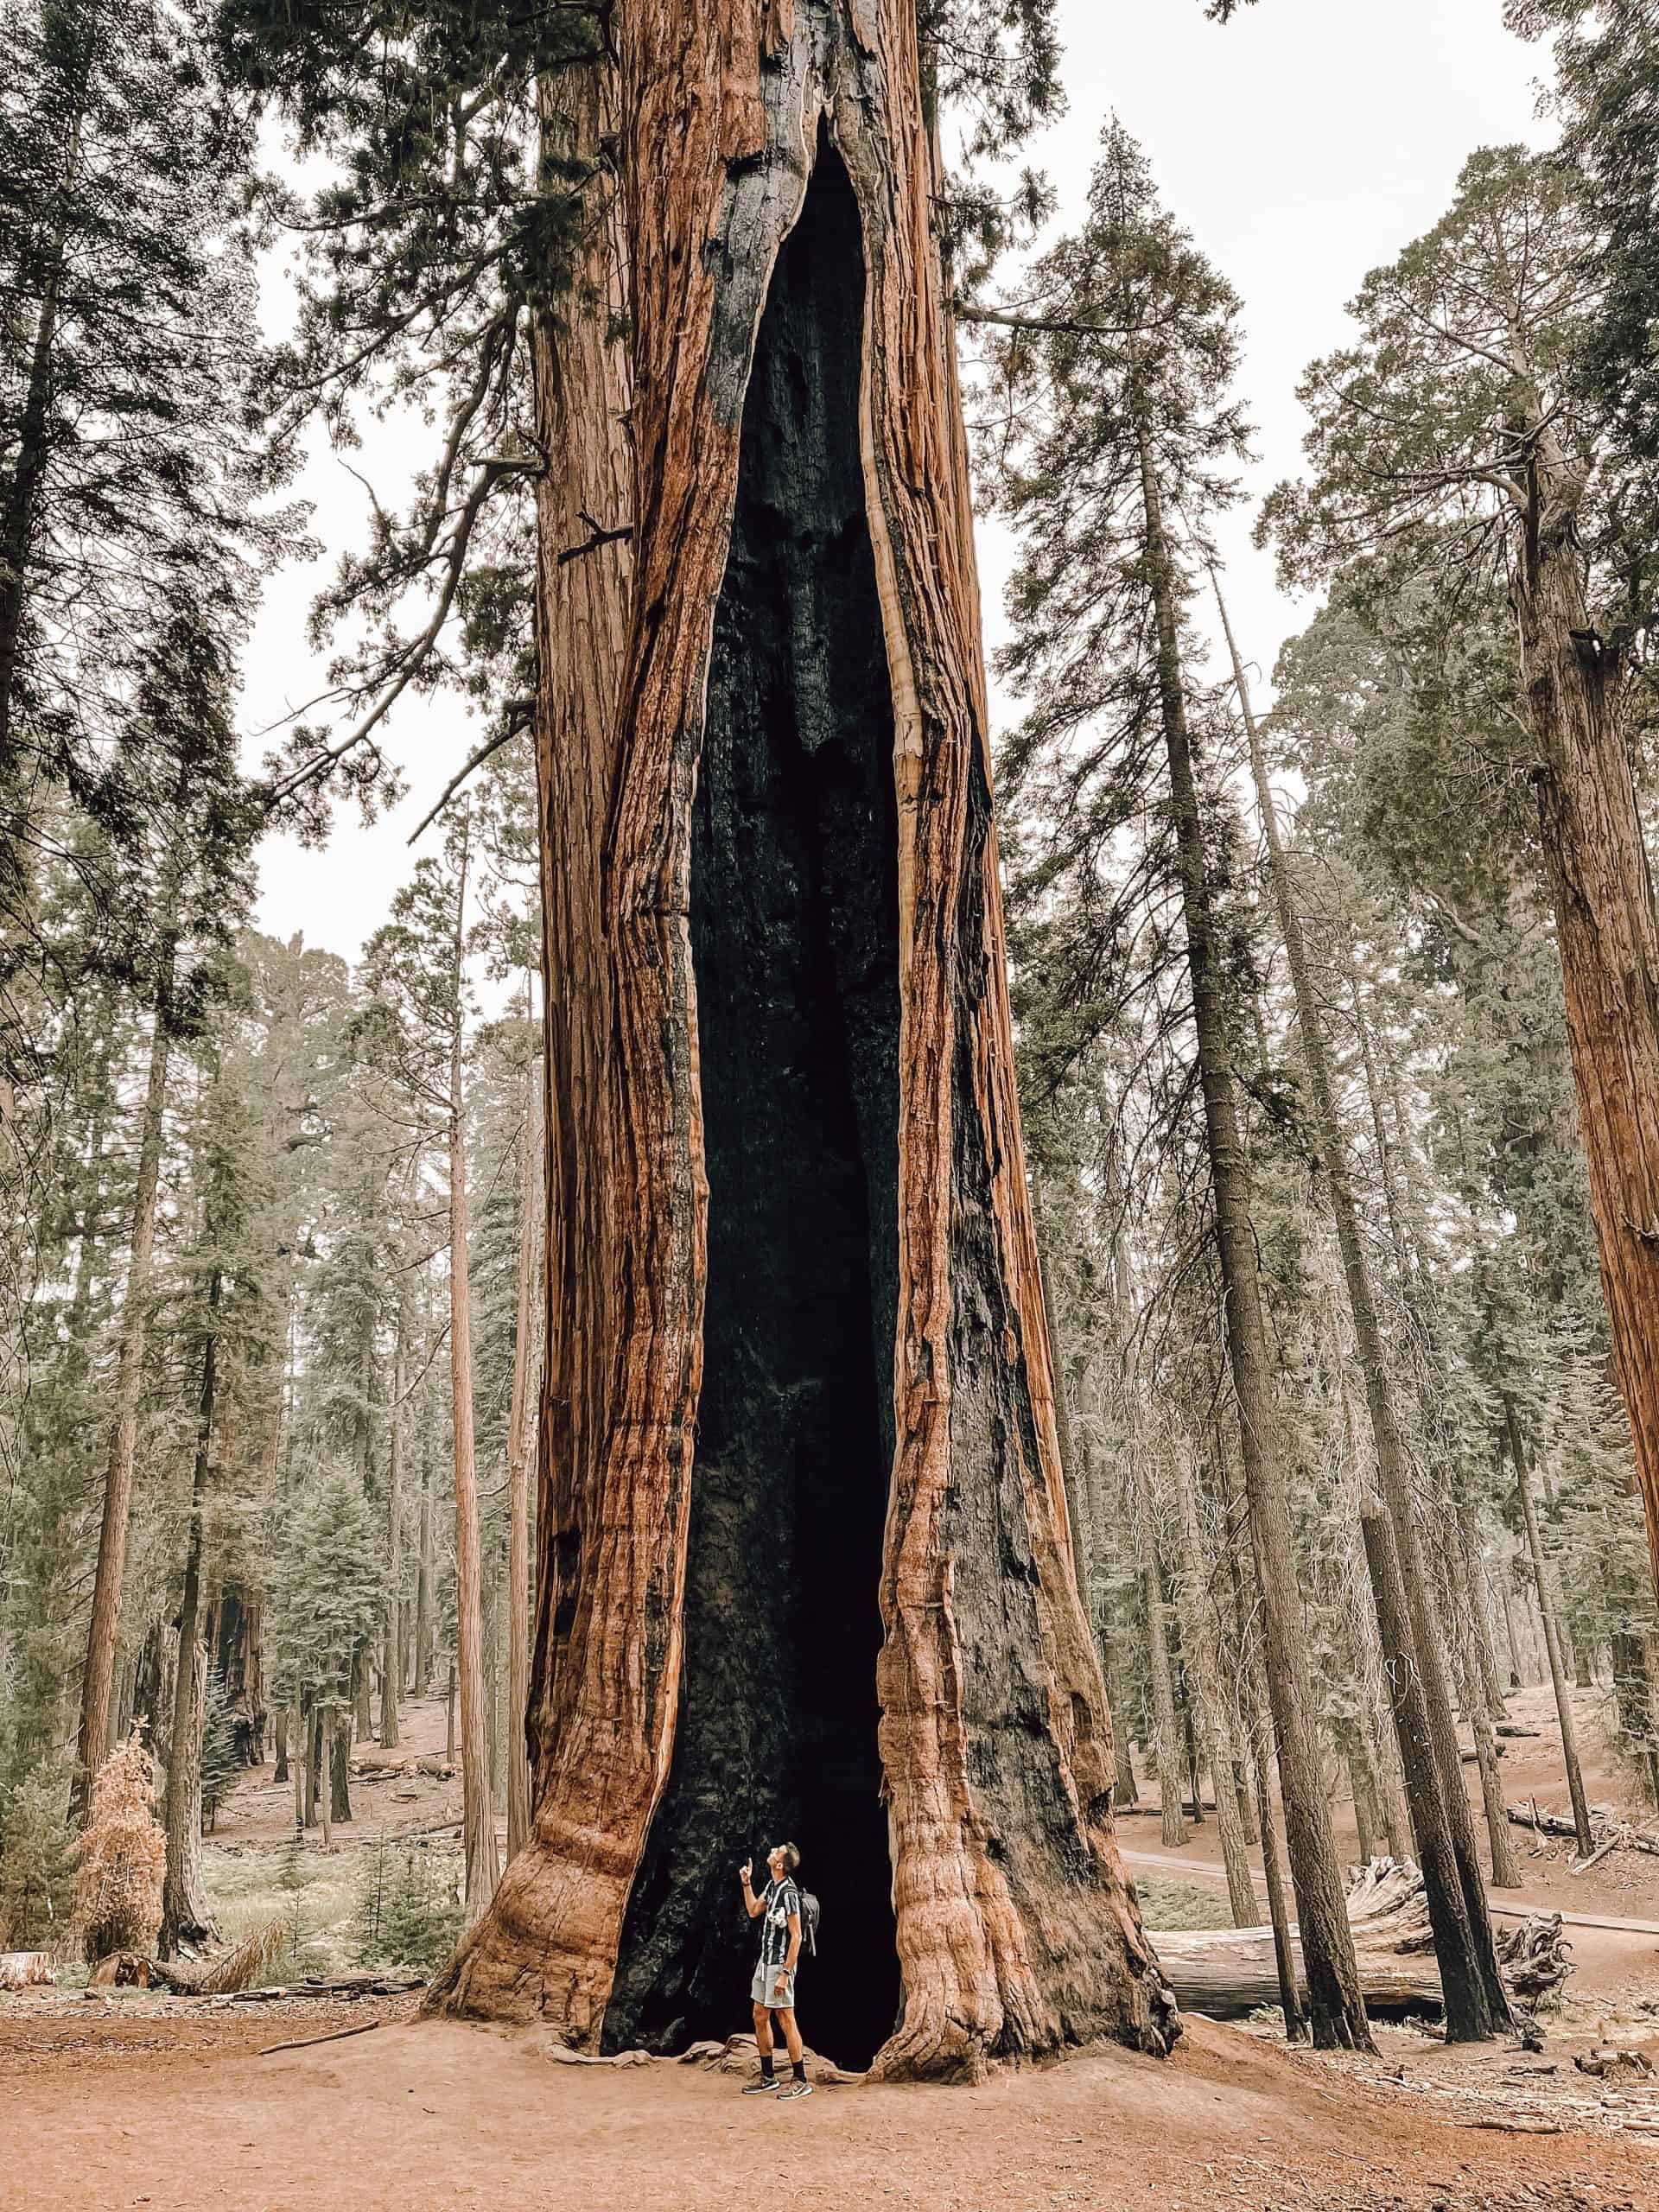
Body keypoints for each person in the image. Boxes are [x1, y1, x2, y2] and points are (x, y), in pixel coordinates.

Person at [738, 1840, 811, 2099]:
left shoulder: (789, 1893)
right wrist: (747, 1883)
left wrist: (785, 1973)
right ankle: (768, 2076)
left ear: (780, 1864)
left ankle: (800, 2078)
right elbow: (753, 1910)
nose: (771, 1851)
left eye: (776, 1852)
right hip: (765, 1961)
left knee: (785, 2018)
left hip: (780, 1964)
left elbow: (797, 1936)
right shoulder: (772, 1886)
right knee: (759, 2014)